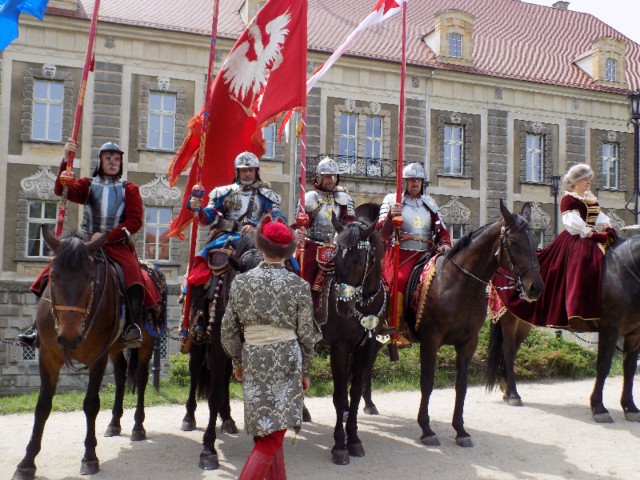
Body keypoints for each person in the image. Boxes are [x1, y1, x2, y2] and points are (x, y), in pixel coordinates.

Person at [19, 139, 154, 347]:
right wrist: (66, 160)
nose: (112, 162)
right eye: (108, 158)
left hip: (115, 244)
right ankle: (38, 326)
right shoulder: (87, 185)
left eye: (116, 158)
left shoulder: (130, 189)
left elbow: (135, 220)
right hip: (84, 242)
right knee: (51, 273)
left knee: (134, 277)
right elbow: (62, 190)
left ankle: (131, 327)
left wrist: (107, 236)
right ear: (100, 161)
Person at [221, 215, 320, 479]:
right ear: (289, 250)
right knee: (271, 438)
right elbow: (307, 335)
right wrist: (305, 371)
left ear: (261, 245)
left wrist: (237, 361)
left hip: (253, 357)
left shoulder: (241, 282)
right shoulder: (299, 285)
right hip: (287, 358)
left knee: (268, 430)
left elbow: (228, 330)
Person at [491, 163, 616, 330]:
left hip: (593, 238)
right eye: (585, 179)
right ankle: (577, 309)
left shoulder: (591, 199)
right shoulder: (568, 199)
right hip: (576, 239)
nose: (588, 182)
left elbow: (600, 217)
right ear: (575, 182)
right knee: (582, 261)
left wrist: (608, 228)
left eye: (589, 179)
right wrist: (592, 234)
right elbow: (572, 224)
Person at [377, 162, 452, 346]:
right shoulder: (392, 201)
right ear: (405, 182)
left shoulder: (429, 203)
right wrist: (390, 217)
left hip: (427, 253)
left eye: (418, 180)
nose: (415, 183)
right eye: (411, 180)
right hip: (402, 253)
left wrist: (445, 244)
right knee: (400, 280)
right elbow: (380, 234)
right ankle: (396, 330)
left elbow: (442, 231)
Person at [185, 151, 286, 288]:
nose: (247, 174)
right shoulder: (223, 192)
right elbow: (208, 217)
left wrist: (258, 227)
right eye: (243, 170)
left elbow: (278, 218)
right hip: (228, 237)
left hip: (257, 237)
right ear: (237, 172)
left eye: (250, 170)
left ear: (256, 171)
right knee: (202, 266)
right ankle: (196, 305)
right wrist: (198, 208)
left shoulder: (267, 195)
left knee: (288, 261)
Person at [295, 156, 355, 293]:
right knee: (302, 278)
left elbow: (350, 224)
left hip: (337, 248)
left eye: (334, 176)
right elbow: (299, 224)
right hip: (312, 246)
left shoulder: (344, 199)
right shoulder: (311, 197)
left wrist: (341, 236)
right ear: (320, 177)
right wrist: (300, 232)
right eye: (328, 177)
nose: (331, 180)